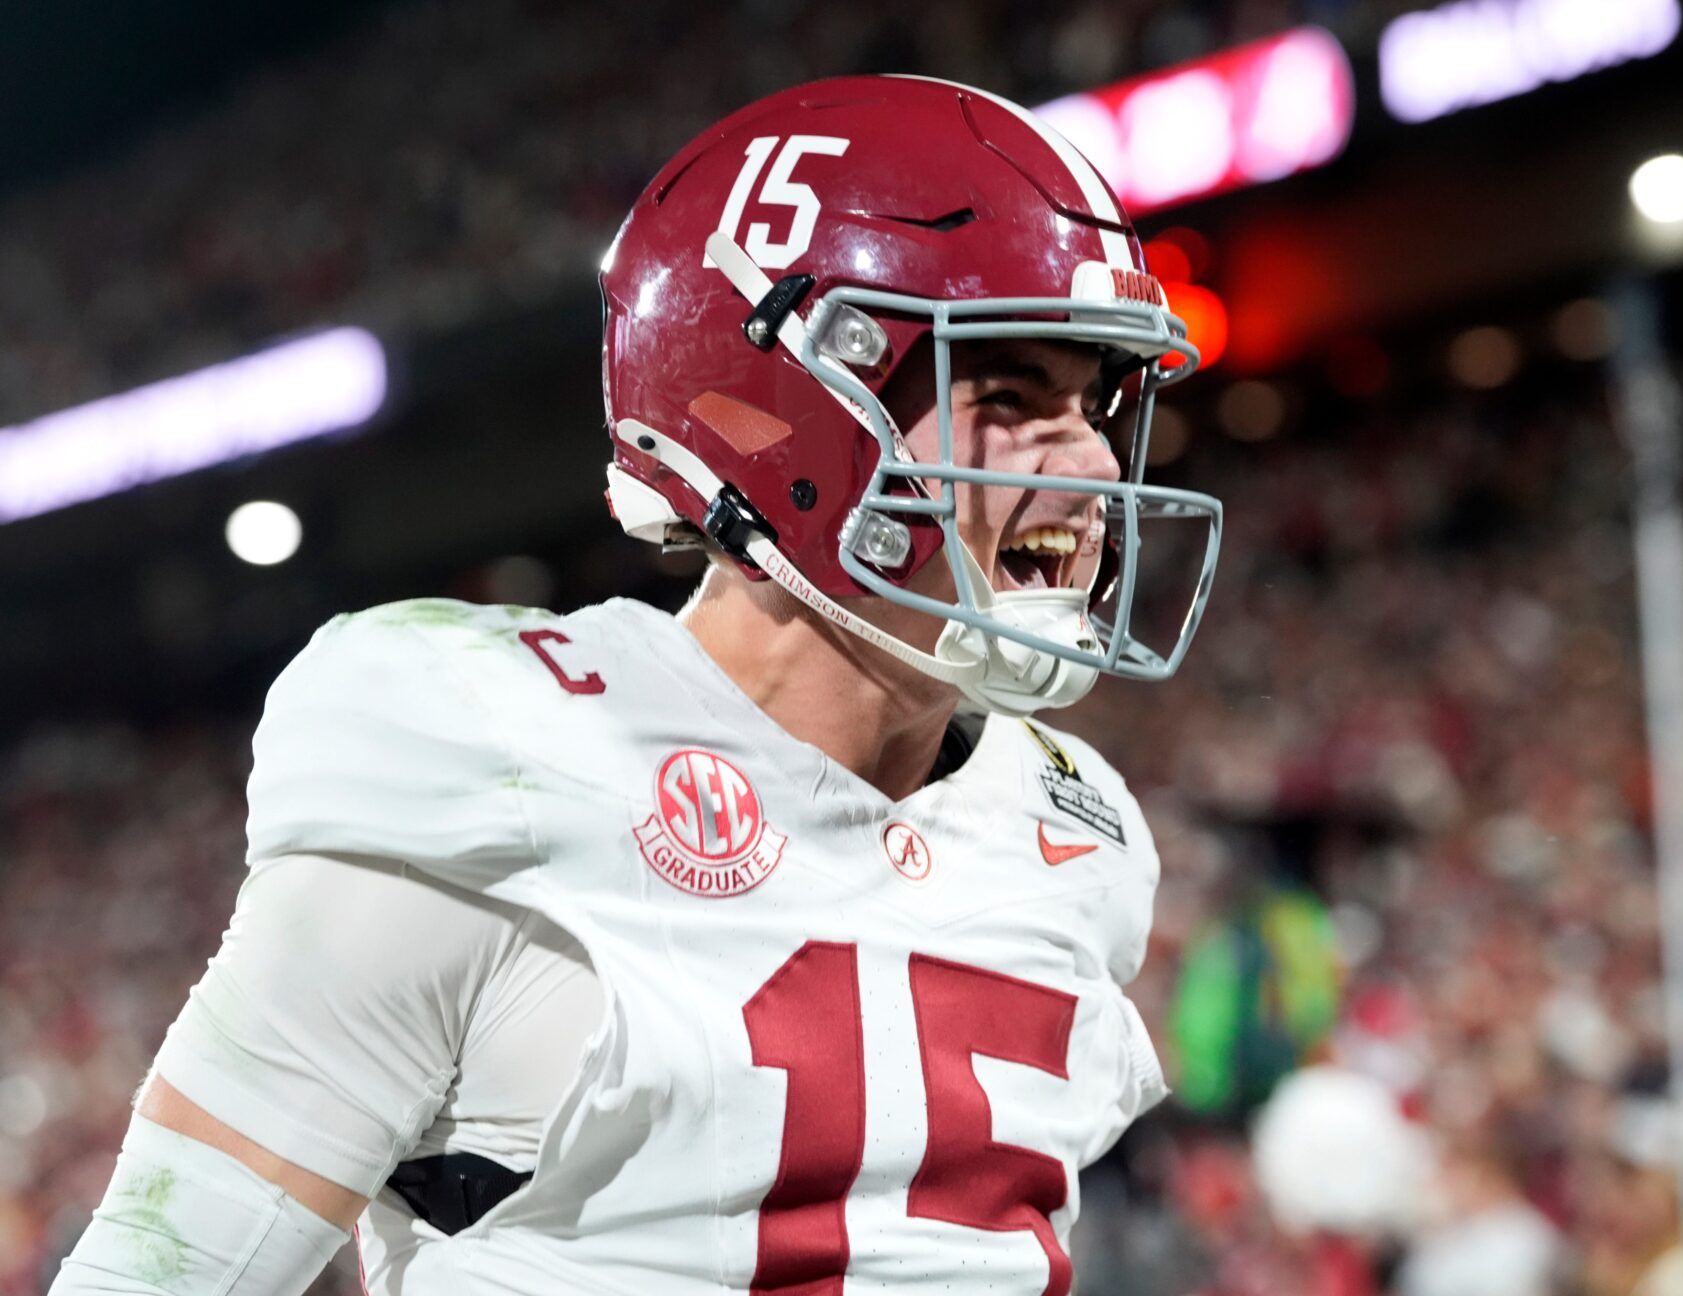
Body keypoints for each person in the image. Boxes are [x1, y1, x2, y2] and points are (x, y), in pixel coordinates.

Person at [52, 74, 1223, 1295]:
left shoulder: (1067, 834)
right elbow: (169, 1274)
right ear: (795, 414)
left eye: (1090, 404)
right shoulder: (495, 759)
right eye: (1007, 398)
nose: (1090, 462)